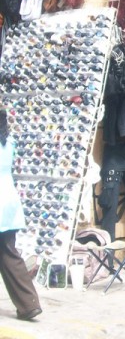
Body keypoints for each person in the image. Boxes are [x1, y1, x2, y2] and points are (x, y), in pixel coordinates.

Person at [0, 109, 42, 321]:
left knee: (8, 253)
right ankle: (28, 305)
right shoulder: (8, 142)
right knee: (9, 254)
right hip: (8, 201)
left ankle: (28, 305)